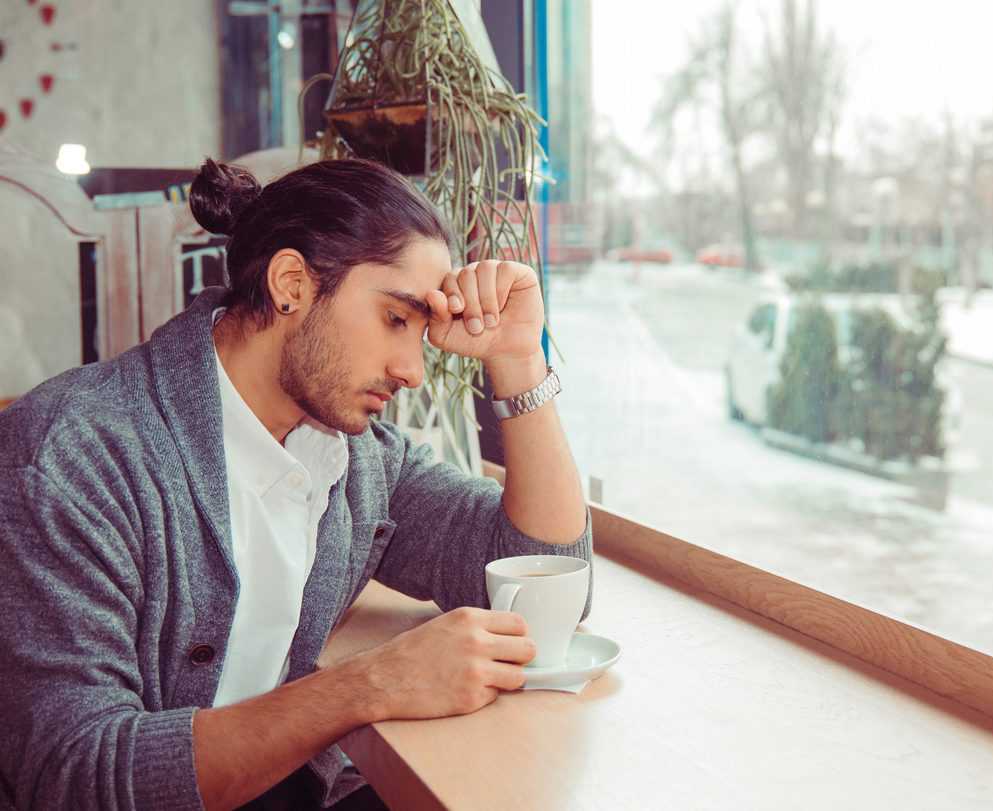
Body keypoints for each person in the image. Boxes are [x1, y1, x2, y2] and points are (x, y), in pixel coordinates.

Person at [0, 158, 592, 811]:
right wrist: (366, 686)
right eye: (396, 319)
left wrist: (518, 359)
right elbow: (75, 779)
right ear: (291, 285)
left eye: (422, 333)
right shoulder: (72, 457)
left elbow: (547, 578)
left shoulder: (353, 457)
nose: (412, 370)